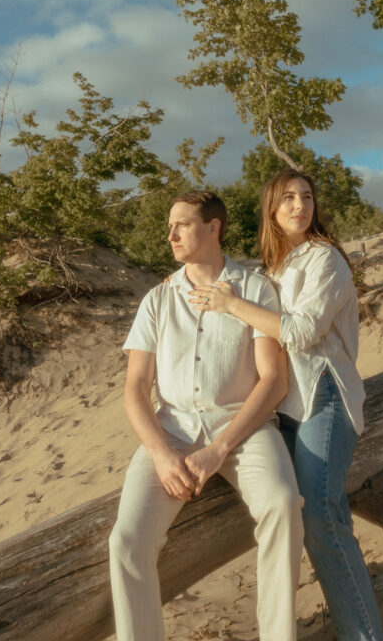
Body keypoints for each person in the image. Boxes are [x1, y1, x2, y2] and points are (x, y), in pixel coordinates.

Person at [188, 170, 383, 641]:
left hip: (324, 394)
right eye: (289, 198)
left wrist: (231, 305)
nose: (300, 205)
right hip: (284, 408)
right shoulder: (269, 270)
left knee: (322, 515)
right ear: (272, 209)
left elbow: (300, 332)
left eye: (307, 197)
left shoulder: (325, 260)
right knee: (298, 515)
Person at [109, 189, 303, 641]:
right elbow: (135, 390)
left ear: (213, 227)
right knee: (127, 542)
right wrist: (160, 454)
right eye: (170, 226)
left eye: (181, 224)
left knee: (282, 504)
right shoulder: (157, 300)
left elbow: (273, 380)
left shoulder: (254, 288)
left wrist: (218, 449)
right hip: (171, 432)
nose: (171, 234)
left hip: (244, 428)